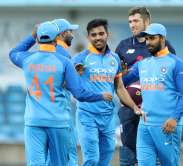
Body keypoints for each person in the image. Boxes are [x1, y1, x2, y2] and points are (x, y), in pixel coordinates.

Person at [9, 21, 112, 166]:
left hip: (33, 122)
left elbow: (13, 53)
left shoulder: (27, 59)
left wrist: (32, 36)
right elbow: (79, 93)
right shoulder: (64, 62)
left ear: (38, 39)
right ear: (57, 37)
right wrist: (100, 96)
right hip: (58, 122)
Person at [72, 18, 142, 166]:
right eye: (93, 35)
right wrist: (75, 74)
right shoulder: (81, 58)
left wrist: (134, 106)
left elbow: (120, 88)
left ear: (107, 34)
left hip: (108, 117)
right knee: (92, 158)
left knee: (106, 157)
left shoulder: (115, 59)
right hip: (87, 115)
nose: (98, 37)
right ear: (88, 37)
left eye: (101, 33)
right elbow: (69, 85)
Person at [123, 23, 183, 166]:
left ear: (162, 39)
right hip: (145, 125)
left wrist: (174, 119)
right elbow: (121, 81)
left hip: (167, 126)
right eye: (146, 39)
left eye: (152, 38)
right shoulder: (142, 64)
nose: (148, 43)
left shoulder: (176, 63)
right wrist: (116, 70)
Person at [115, 6, 176, 165]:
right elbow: (116, 79)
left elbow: (171, 78)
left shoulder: (164, 46)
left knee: (154, 156)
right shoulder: (122, 46)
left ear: (147, 22)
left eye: (136, 21)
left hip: (154, 111)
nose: (132, 25)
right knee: (128, 154)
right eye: (130, 21)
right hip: (129, 108)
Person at [43, 18, 79, 166]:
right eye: (70, 31)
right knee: (68, 153)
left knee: (51, 155)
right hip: (60, 111)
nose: (73, 34)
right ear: (62, 34)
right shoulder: (63, 54)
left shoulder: (45, 53)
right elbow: (69, 85)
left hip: (45, 110)